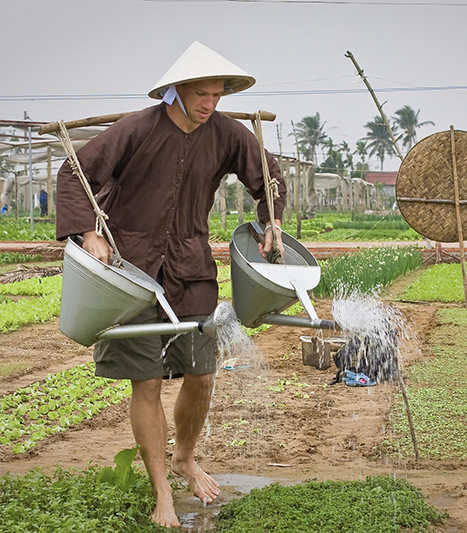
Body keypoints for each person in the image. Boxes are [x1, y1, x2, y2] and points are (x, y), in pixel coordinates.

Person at [55, 41, 286, 528]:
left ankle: (185, 456)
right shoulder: (136, 129)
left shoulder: (227, 134)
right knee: (147, 382)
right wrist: (90, 233)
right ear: (177, 91)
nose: (210, 104)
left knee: (202, 375)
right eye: (201, 94)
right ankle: (162, 490)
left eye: (217, 95)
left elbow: (269, 176)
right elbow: (73, 174)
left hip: (190, 268)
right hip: (131, 272)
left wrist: (272, 222)